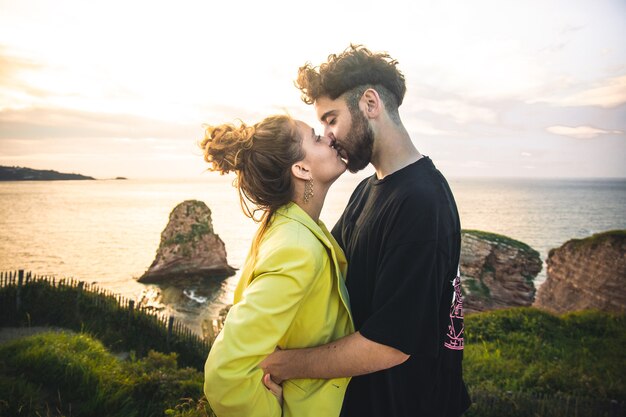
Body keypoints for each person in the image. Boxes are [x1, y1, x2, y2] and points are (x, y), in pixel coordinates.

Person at [260, 45, 472, 416]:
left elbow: (389, 344)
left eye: (331, 118)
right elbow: (329, 274)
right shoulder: (369, 189)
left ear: (370, 104)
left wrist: (284, 365)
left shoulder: (422, 202)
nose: (328, 136)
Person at [201, 115, 354, 417]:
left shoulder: (288, 226)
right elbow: (224, 374)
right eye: (316, 138)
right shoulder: (296, 248)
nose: (329, 137)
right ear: (301, 168)